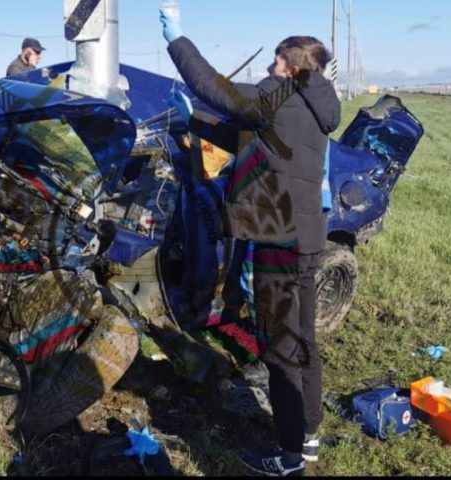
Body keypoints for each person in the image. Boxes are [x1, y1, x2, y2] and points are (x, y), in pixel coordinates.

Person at [161, 9, 341, 477]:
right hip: (305, 239)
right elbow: (250, 136)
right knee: (303, 340)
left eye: (277, 62)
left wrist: (177, 38)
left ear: (293, 66)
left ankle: (288, 456)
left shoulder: (279, 96)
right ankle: (310, 435)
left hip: (280, 240)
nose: (269, 70)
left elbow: (213, 86)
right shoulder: (315, 103)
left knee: (281, 348)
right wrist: (196, 123)